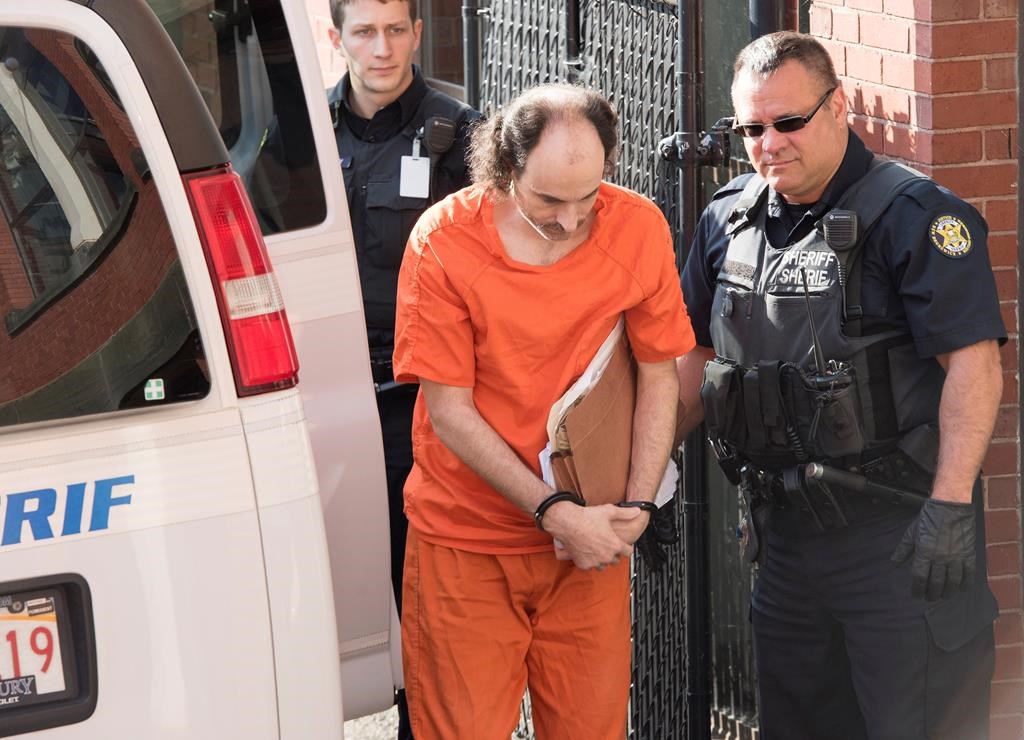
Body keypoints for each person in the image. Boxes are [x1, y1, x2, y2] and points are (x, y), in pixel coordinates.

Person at [676, 31, 1005, 740]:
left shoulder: (915, 217)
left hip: (899, 539)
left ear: (839, 107)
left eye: (788, 121)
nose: (769, 144)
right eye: (751, 128)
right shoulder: (726, 219)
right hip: (783, 542)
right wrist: (644, 483)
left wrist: (949, 509)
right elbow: (688, 358)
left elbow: (974, 366)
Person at [392, 84, 696, 739]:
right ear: (505, 171)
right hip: (467, 544)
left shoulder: (637, 227)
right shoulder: (443, 241)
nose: (569, 220)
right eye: (548, 201)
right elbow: (449, 411)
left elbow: (659, 376)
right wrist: (554, 512)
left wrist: (637, 508)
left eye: (588, 198)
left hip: (589, 541)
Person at [326, 2, 479, 736]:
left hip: (418, 398)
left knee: (422, 590)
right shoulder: (301, 135)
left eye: (395, 29)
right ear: (337, 38)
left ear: (418, 34)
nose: (381, 48)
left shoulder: (463, 138)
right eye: (364, 31)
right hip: (317, 389)